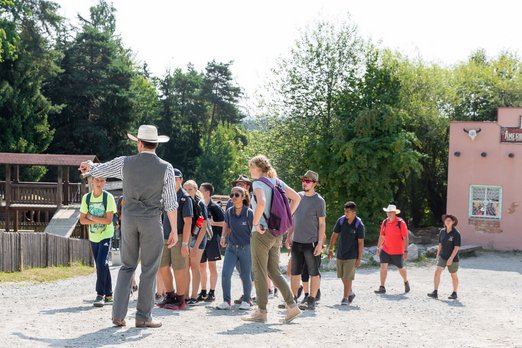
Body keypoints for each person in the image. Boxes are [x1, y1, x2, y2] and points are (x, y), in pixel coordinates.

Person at [79, 124, 178, 328]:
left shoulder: (125, 163)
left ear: (139, 144)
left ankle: (118, 315)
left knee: (127, 267)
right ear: (156, 145)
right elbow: (170, 203)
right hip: (151, 220)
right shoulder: (166, 167)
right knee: (149, 269)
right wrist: (174, 230)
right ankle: (143, 317)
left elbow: (99, 169)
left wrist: (88, 165)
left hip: (130, 220)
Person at [242, 155, 302, 323]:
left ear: (257, 168)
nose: (250, 170)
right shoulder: (276, 181)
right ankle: (292, 306)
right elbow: (297, 198)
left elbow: (261, 203)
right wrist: (285, 218)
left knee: (259, 271)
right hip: (276, 233)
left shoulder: (258, 183)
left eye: (251, 167)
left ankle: (261, 311)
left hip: (261, 232)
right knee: (274, 272)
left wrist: (255, 222)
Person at [285, 170, 325, 310]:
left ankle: (311, 300)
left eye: (308, 181)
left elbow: (321, 224)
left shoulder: (319, 201)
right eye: (303, 180)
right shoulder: (297, 197)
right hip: (297, 241)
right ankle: (292, 300)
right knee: (294, 272)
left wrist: (320, 243)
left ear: (315, 184)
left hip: (311, 242)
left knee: (314, 272)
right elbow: (293, 219)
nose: (304, 183)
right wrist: (289, 236)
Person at [157, 169, 193, 310]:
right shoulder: (167, 196)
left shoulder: (185, 197)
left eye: (176, 179)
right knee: (163, 266)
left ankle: (180, 299)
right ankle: (170, 296)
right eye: (171, 179)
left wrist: (185, 243)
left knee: (179, 268)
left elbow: (188, 222)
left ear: (181, 180)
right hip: (165, 236)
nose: (173, 182)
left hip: (178, 237)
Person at [79, 176, 117, 307]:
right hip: (93, 236)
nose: (99, 183)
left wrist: (91, 216)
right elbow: (82, 220)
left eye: (102, 181)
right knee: (102, 265)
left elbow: (108, 220)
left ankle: (100, 294)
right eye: (96, 180)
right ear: (92, 182)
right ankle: (109, 295)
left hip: (106, 234)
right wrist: (95, 219)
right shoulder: (87, 198)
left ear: (105, 182)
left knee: (101, 263)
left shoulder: (108, 198)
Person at [217, 186, 254, 310]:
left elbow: (255, 231)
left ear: (243, 197)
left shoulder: (249, 213)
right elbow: (226, 224)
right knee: (225, 274)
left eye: (236, 195)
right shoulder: (229, 211)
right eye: (231, 195)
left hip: (246, 248)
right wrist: (223, 236)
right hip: (231, 247)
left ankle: (247, 301)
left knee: (245, 275)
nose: (233, 197)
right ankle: (226, 301)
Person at [328, 201, 365, 305]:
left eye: (348, 211)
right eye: (345, 211)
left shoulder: (359, 225)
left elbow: (361, 243)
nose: (346, 213)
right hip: (341, 253)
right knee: (342, 276)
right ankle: (350, 292)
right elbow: (334, 235)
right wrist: (330, 249)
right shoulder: (341, 221)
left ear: (354, 212)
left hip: (352, 255)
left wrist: (359, 258)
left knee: (348, 277)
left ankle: (345, 298)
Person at [374, 204, 410, 294]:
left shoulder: (400, 223)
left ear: (394, 213)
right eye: (387, 212)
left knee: (401, 268)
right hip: (385, 250)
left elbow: (405, 238)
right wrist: (378, 247)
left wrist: (405, 251)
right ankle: (382, 287)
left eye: (390, 212)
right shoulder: (385, 222)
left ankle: (406, 281)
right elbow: (382, 236)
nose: (389, 214)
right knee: (383, 267)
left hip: (398, 251)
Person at [183, 180, 208, 305]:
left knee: (195, 266)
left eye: (190, 189)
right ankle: (185, 296)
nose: (187, 192)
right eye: (185, 189)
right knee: (185, 267)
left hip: (198, 238)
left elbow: (204, 226)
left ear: (196, 189)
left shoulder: (200, 203)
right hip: (186, 238)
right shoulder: (182, 201)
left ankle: (194, 296)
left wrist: (196, 246)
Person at [198, 183, 224, 303]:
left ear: (207, 192)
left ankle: (212, 292)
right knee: (201, 266)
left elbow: (225, 223)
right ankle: (203, 291)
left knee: (212, 266)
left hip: (213, 239)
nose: (199, 192)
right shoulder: (199, 205)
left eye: (201, 190)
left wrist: (213, 223)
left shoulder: (215, 207)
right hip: (201, 239)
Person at [428, 214, 461, 300]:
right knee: (437, 272)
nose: (447, 221)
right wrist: (438, 254)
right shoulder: (442, 231)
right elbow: (440, 244)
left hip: (453, 258)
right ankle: (435, 292)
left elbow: (456, 247)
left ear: (453, 222)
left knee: (453, 275)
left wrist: (451, 258)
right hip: (443, 256)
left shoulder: (456, 233)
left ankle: (454, 292)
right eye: (446, 220)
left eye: (449, 220)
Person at [115, 195, 138, 293]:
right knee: (126, 261)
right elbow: (118, 216)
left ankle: (132, 283)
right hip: (124, 234)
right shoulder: (122, 199)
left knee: (133, 260)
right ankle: (131, 283)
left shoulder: (138, 197)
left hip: (137, 233)